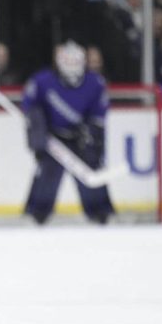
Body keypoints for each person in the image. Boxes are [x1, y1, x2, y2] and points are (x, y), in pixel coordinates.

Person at [22, 40, 115, 224]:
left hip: (81, 137)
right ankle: (37, 212)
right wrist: (38, 131)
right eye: (68, 62)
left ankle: (100, 211)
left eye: (76, 62)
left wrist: (91, 132)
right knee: (47, 172)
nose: (72, 67)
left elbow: (99, 113)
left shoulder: (95, 82)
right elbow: (31, 107)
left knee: (90, 169)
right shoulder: (42, 80)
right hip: (53, 137)